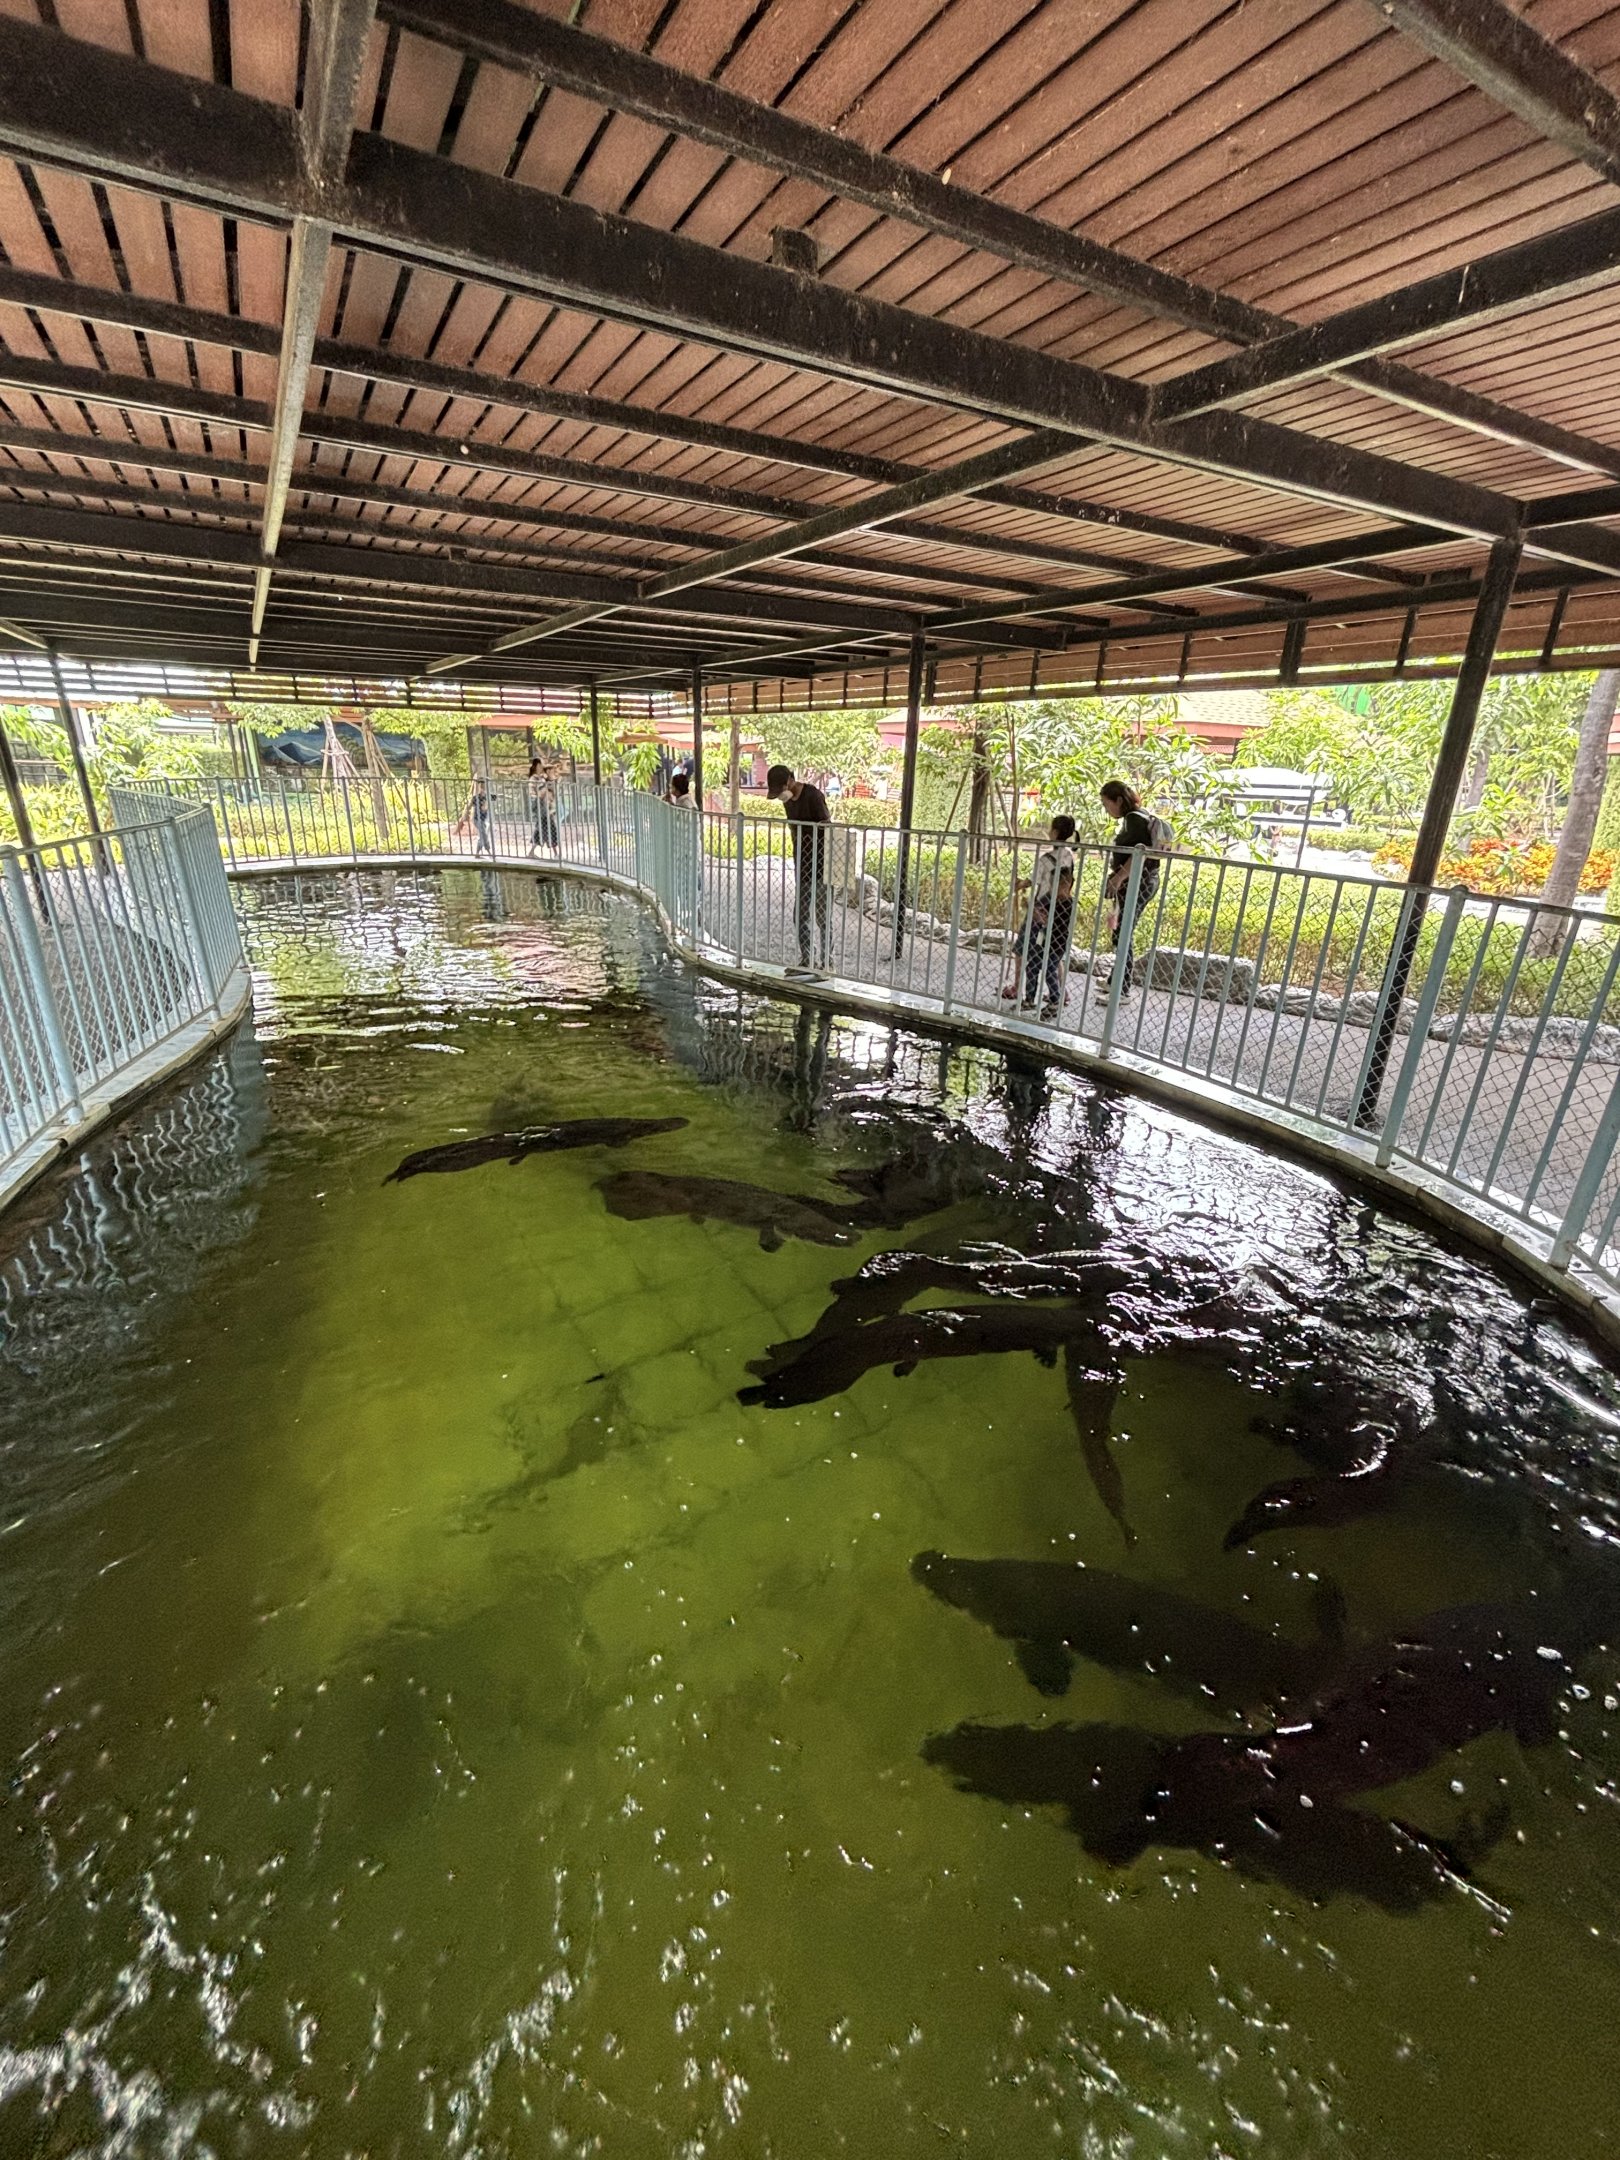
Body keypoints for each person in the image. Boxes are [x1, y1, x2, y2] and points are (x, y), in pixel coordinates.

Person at [1004, 814, 1077, 1018]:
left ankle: (1021, 988)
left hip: (1042, 909)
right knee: (1052, 959)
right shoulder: (1069, 855)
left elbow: (1033, 881)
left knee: (1024, 950)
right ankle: (1059, 993)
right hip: (1055, 918)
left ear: (1054, 832)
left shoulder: (1045, 859)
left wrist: (1020, 884)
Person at [765, 762, 831, 972]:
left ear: (790, 781)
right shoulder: (788, 802)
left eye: (781, 790)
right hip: (802, 864)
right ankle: (807, 960)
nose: (780, 796)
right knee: (800, 915)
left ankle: (827, 963)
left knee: (822, 916)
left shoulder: (813, 796)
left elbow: (826, 828)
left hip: (821, 864)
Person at [1099, 779, 1163, 993]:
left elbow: (1139, 853)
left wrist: (1118, 878)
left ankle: (1122, 987)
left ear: (1118, 800)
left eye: (1107, 804)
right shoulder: (1138, 816)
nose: (1107, 810)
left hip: (1138, 883)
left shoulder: (1134, 819)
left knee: (1123, 933)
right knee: (1121, 930)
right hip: (1141, 881)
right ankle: (1115, 980)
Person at [528, 756, 558, 854]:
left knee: (542, 828)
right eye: (541, 764)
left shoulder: (542, 778)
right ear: (536, 765)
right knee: (549, 827)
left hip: (545, 806)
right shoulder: (534, 778)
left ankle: (532, 852)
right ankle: (556, 853)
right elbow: (538, 794)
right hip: (540, 806)